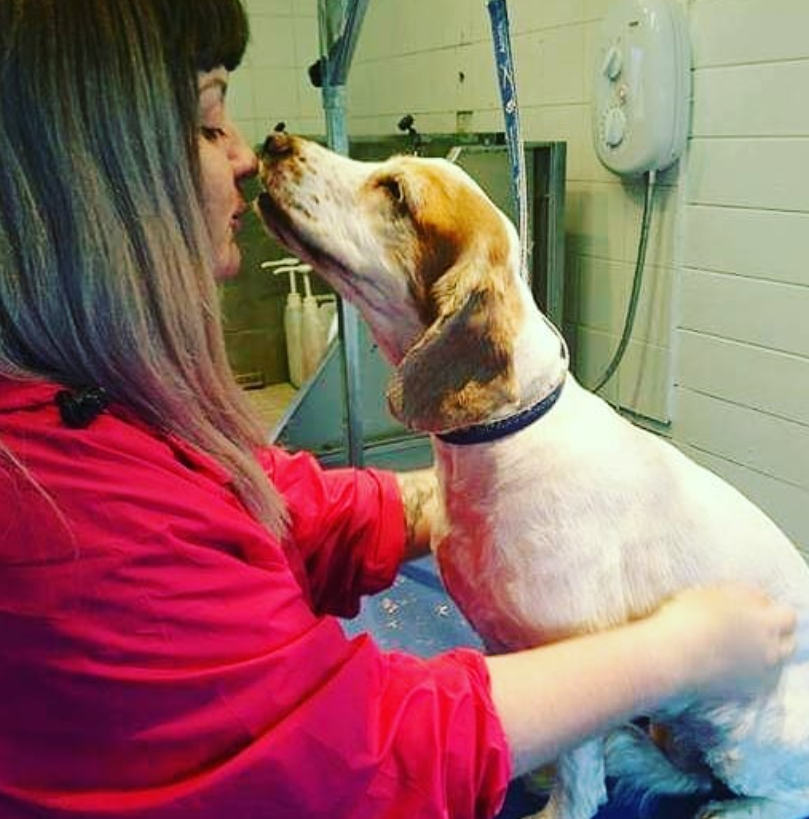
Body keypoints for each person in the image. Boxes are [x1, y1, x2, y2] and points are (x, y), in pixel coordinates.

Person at [0, 2, 797, 818]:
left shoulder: (92, 409)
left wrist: (470, 492)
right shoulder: (56, 509)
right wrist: (674, 653)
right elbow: (355, 752)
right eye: (208, 123)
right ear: (92, 171)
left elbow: (260, 510)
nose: (243, 153)